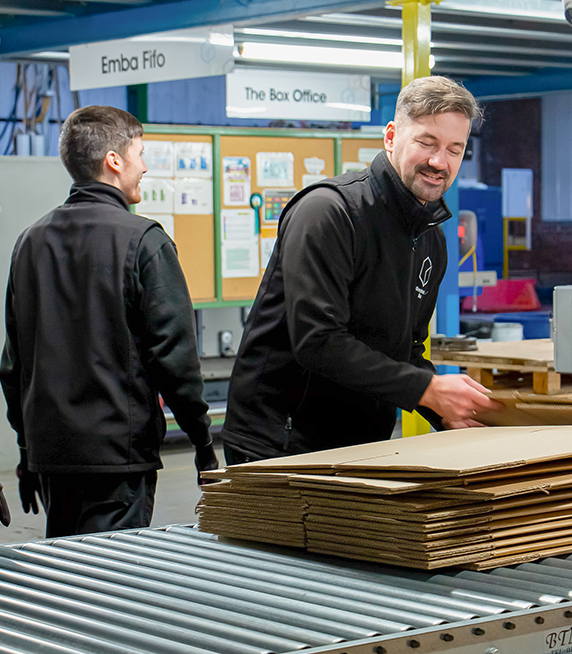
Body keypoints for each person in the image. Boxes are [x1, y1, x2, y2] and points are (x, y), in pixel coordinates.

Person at [222, 76, 499, 465]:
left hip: (363, 443)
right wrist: (427, 389)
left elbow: (406, 349)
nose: (440, 162)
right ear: (391, 137)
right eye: (427, 143)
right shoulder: (329, 212)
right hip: (279, 441)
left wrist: (448, 411)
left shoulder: (430, 239)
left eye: (455, 149)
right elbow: (318, 341)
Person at [0, 105, 218, 537]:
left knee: (66, 576)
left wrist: (28, 451)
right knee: (111, 583)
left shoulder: (30, 243)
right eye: (140, 153)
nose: (145, 166)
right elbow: (175, 360)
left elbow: (14, 365)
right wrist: (202, 443)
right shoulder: (144, 242)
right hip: (119, 457)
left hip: (53, 457)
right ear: (114, 161)